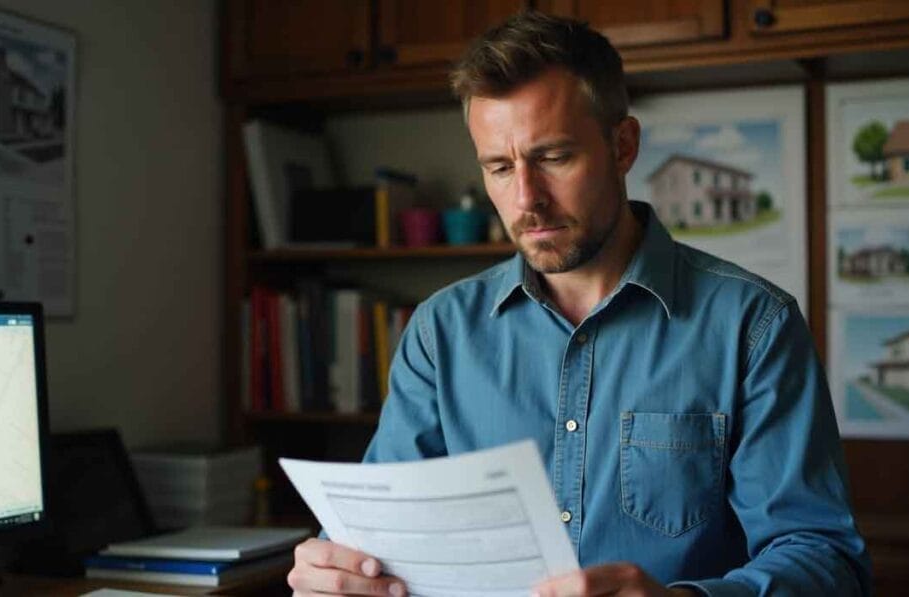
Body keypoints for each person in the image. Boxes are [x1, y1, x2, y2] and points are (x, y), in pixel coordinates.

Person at [287, 10, 870, 597]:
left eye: (553, 158)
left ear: (623, 146)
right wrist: (338, 571)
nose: (526, 199)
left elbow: (824, 558)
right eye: (499, 167)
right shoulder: (440, 333)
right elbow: (378, 539)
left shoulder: (753, 326)